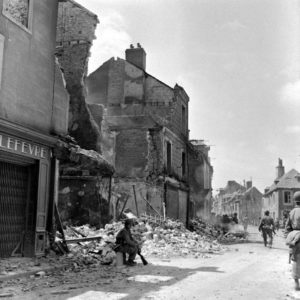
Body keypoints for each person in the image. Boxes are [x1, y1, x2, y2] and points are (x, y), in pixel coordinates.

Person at [285, 192, 300, 290]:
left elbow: (287, 227)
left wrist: (291, 238)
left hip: (295, 237)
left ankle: (296, 283)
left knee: (295, 260)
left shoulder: (292, 212)